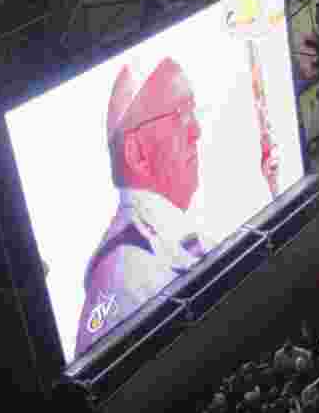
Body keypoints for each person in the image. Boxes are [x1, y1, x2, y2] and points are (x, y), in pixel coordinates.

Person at [75, 58, 215, 358]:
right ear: (136, 152)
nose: (197, 132)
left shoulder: (166, 234)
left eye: (194, 112)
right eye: (181, 115)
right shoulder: (125, 273)